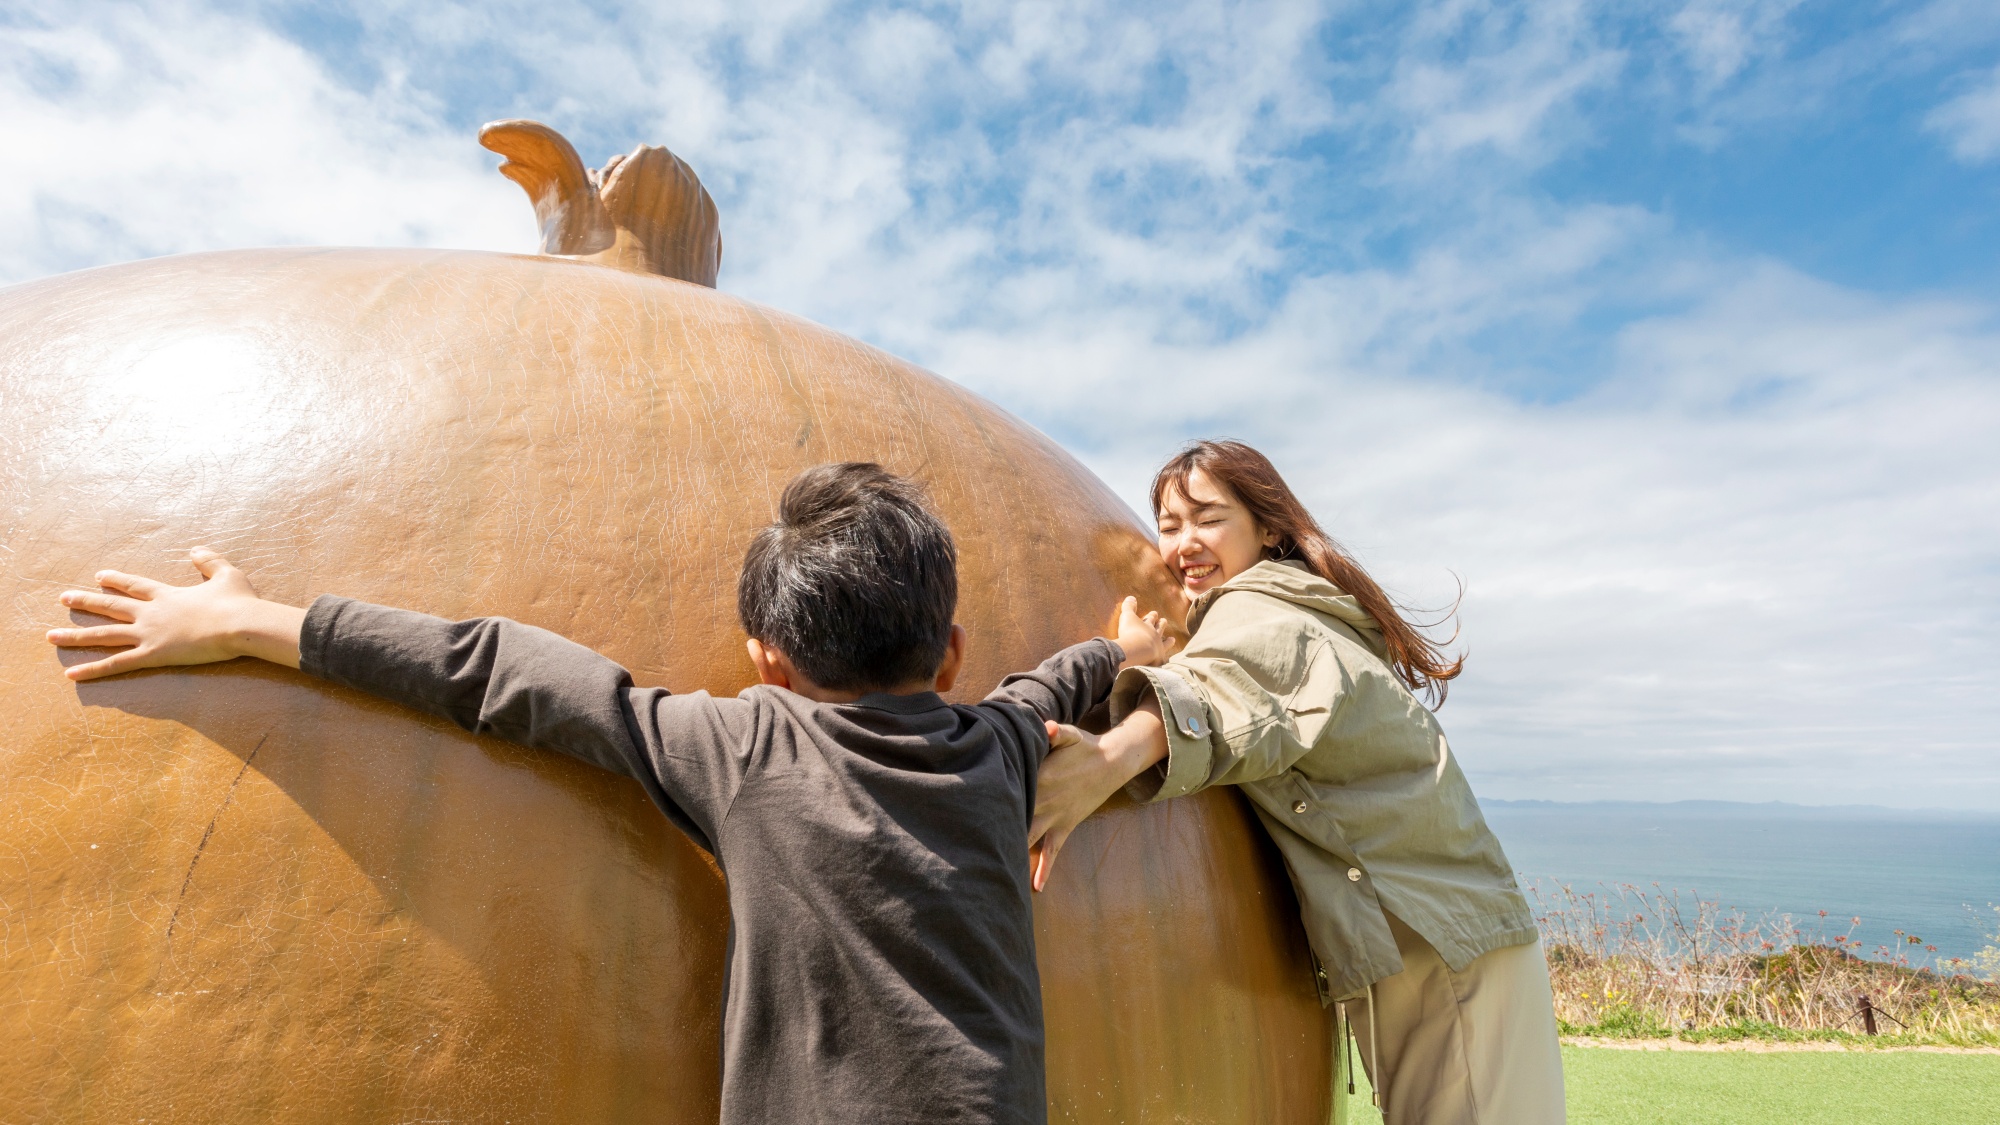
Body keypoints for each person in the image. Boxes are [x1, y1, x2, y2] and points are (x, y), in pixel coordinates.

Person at [47, 462, 1171, 1125]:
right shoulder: (999, 749)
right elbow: (1043, 688)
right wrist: (1118, 647)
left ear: (766, 661)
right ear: (949, 652)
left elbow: (506, 674)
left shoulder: (742, 751)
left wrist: (257, 624)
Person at [1026, 441, 1564, 1125]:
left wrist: (1103, 759)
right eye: (1169, 524)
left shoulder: (1265, 613)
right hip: (1447, 940)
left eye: (1208, 519)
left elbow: (1230, 691)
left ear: (1268, 527)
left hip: (1446, 952)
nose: (1184, 543)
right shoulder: (1286, 606)